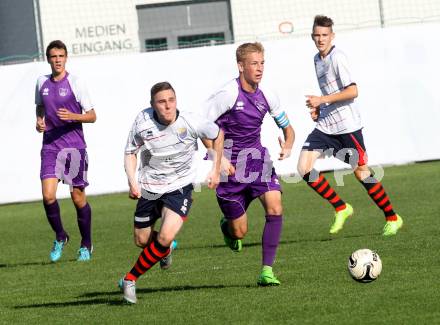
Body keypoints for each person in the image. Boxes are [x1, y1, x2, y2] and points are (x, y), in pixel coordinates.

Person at [298, 15, 403, 236]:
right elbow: (330, 92)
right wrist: (319, 109)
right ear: (312, 37)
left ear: (332, 36)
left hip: (347, 127)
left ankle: (393, 218)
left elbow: (353, 91)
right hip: (326, 126)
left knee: (362, 173)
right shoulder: (317, 59)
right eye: (317, 35)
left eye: (324, 35)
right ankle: (341, 207)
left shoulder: (338, 58)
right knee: (304, 167)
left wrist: (322, 100)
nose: (320, 39)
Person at [119, 81, 224, 304]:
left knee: (166, 235)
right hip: (150, 189)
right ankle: (163, 251)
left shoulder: (190, 121)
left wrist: (216, 168)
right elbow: (130, 152)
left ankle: (130, 279)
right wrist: (132, 181)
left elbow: (218, 134)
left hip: (180, 187)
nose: (167, 106)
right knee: (142, 239)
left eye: (171, 100)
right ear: (152, 105)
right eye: (161, 102)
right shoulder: (142, 121)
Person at [202, 42, 295, 286]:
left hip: (257, 161)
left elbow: (288, 128)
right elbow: (201, 126)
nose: (260, 68)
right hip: (229, 167)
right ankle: (227, 227)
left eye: (262, 63)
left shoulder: (268, 95)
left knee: (275, 206)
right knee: (239, 231)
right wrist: (217, 157)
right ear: (241, 66)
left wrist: (287, 144)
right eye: (254, 63)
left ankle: (266, 271)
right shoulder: (227, 94)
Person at [35, 40, 96, 262]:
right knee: (48, 195)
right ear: (48, 59)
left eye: (61, 56)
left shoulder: (76, 83)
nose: (57, 60)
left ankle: (86, 244)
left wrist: (74, 116)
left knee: (77, 198)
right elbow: (40, 106)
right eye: (53, 56)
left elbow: (92, 115)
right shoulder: (41, 82)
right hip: (50, 145)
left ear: (66, 57)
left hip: (74, 148)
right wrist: (39, 121)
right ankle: (61, 236)